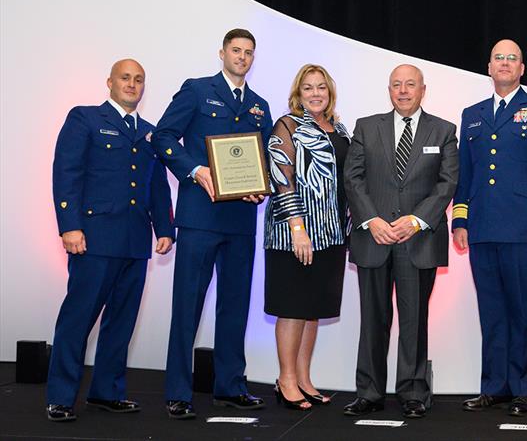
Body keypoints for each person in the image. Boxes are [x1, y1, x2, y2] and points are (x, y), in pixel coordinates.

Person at [154, 28, 273, 419]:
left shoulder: (259, 105)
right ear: (222, 53)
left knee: (236, 306)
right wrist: (194, 170)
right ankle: (177, 391)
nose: (242, 57)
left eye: (249, 53)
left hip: (240, 218)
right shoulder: (196, 89)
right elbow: (164, 136)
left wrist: (263, 186)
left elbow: (266, 159)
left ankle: (230, 386)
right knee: (187, 306)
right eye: (236, 50)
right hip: (200, 217)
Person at [46, 59, 174, 422]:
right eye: (125, 78)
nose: (132, 85)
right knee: (78, 318)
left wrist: (164, 228)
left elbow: (156, 185)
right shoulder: (85, 118)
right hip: (94, 238)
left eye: (138, 80)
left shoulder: (149, 132)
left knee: (122, 320)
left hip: (135, 240)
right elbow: (66, 172)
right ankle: (60, 396)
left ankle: (107, 392)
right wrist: (69, 226)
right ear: (110, 82)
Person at [453, 40, 527, 417]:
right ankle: (494, 387)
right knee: (492, 312)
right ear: (489, 67)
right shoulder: (472, 114)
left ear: (522, 68)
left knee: (523, 312)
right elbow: (466, 175)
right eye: (498, 58)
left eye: (512, 58)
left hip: (524, 229)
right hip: (483, 230)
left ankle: (523, 389)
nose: (504, 63)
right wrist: (461, 220)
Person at [342, 64, 458, 419]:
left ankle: (412, 392)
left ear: (424, 89)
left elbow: (447, 182)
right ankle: (369, 392)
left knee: (414, 320)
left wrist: (417, 220)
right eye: (397, 85)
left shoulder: (444, 130)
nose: (403, 91)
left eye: (411, 85)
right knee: (372, 319)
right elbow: (353, 177)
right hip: (374, 238)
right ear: (388, 90)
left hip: (418, 240)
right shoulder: (366, 127)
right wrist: (372, 220)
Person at [263, 64, 350, 410]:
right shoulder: (287, 126)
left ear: (330, 93)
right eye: (308, 88)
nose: (315, 93)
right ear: (298, 94)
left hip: (331, 235)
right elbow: (281, 178)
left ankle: (303, 377)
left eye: (321, 88)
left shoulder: (339, 127)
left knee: (313, 309)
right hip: (294, 235)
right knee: (292, 307)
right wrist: (299, 230)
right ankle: (285, 379)